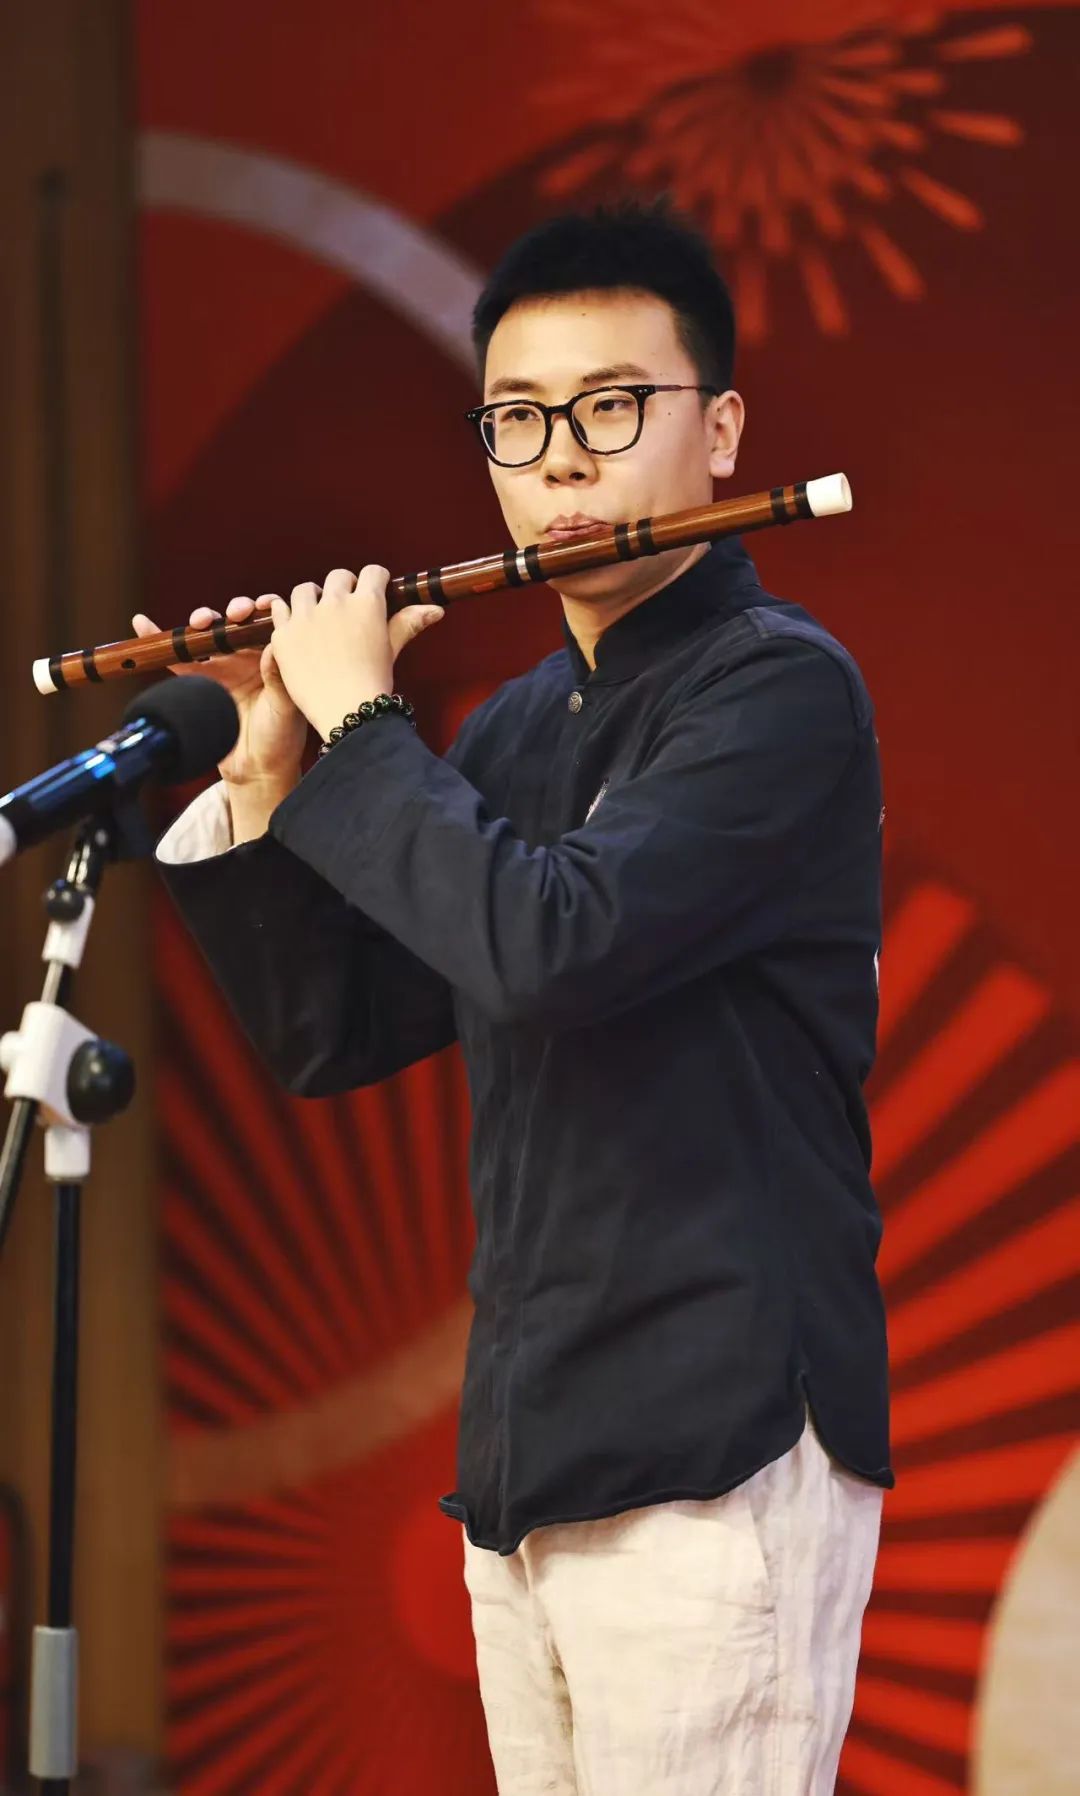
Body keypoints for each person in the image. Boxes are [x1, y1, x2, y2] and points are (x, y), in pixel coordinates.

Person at [143, 199, 892, 1796]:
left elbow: (557, 946)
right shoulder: (517, 723)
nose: (563, 462)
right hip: (532, 1449)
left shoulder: (778, 686)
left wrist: (366, 729)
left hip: (718, 1440)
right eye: (520, 419)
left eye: (613, 408)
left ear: (720, 429)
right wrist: (274, 767)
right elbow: (337, 1031)